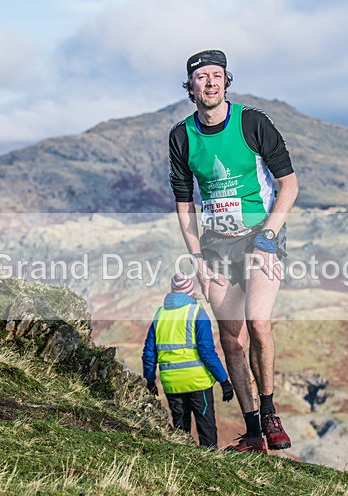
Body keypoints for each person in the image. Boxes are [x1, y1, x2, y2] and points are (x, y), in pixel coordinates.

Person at [169, 49, 300, 452]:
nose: (209, 82)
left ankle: (269, 412)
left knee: (258, 322)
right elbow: (184, 201)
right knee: (231, 339)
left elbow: (289, 185)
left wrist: (269, 235)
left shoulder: (251, 122)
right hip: (216, 246)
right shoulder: (181, 136)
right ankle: (253, 432)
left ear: (226, 82)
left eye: (216, 75)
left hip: (260, 235)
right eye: (201, 77)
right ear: (190, 88)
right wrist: (196, 254)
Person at [142, 272, 235, 447]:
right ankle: (210, 467)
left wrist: (149, 380)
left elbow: (149, 352)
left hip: (172, 384)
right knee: (206, 430)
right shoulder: (197, 313)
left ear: (172, 291)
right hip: (198, 382)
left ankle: (180, 468)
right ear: (191, 292)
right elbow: (207, 352)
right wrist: (224, 380)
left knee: (180, 432)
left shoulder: (160, 314)